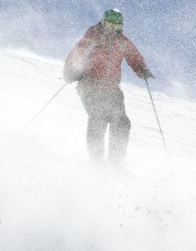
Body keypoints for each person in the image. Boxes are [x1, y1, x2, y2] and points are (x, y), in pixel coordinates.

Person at [64, 9, 154, 166]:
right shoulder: (93, 36)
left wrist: (142, 69)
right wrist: (71, 71)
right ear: (103, 23)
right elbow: (76, 54)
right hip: (89, 85)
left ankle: (115, 162)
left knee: (122, 122)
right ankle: (96, 161)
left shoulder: (122, 41)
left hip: (111, 89)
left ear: (120, 27)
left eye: (115, 27)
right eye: (109, 25)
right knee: (99, 117)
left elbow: (134, 56)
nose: (111, 30)